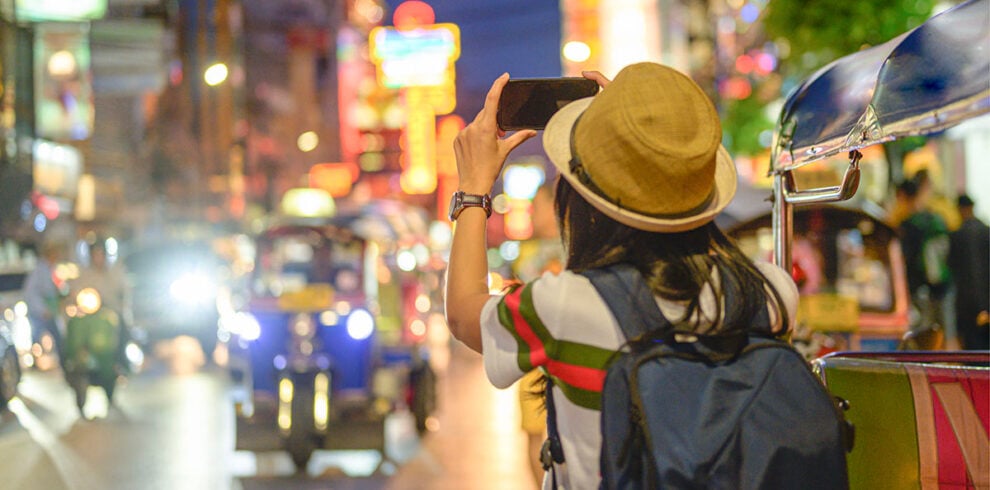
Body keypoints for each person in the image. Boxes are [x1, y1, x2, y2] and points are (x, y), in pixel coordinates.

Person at [444, 62, 797, 489]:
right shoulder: (771, 293)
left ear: (583, 195)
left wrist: (473, 189)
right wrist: (642, 139)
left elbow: (464, 314)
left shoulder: (564, 306)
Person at [511, 184, 564, 487]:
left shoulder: (575, 249)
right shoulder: (528, 254)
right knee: (533, 435)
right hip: (534, 357)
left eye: (537, 208)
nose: (532, 216)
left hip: (561, 356)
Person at [64, 238, 132, 415]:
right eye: (95, 254)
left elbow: (124, 290)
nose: (98, 258)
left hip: (109, 314)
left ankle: (120, 363)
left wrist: (119, 299)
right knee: (72, 328)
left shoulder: (115, 272)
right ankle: (70, 362)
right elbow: (74, 291)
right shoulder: (85, 274)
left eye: (101, 254)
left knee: (123, 332)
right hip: (88, 316)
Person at [898, 178, 951, 331]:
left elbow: (906, 258)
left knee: (922, 333)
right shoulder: (934, 218)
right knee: (942, 332)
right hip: (939, 283)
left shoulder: (908, 225)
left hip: (917, 286)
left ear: (902, 195)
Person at [948, 194, 989, 350]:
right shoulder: (987, 232)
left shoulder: (957, 235)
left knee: (970, 352)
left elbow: (951, 266)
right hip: (987, 301)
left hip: (965, 304)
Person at [23, 241, 66, 366]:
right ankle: (36, 362)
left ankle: (63, 361)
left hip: (48, 310)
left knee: (56, 336)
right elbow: (31, 293)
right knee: (38, 336)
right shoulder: (39, 270)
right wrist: (42, 309)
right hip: (40, 313)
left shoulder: (50, 268)